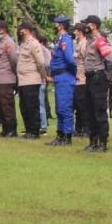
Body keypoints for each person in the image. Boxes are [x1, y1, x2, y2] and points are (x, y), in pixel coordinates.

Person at [80, 15, 112, 153]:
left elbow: (111, 59)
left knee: (99, 111)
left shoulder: (100, 41)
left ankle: (102, 143)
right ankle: (93, 141)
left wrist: (106, 76)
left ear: (94, 25)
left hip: (98, 77)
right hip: (89, 77)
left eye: (86, 24)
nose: (85, 26)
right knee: (89, 110)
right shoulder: (89, 41)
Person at [49, 16, 77, 146]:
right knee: (59, 108)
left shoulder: (65, 39)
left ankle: (67, 136)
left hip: (65, 76)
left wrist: (72, 72)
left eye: (55, 24)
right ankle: (60, 135)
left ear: (60, 25)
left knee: (65, 107)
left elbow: (70, 60)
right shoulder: (60, 39)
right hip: (59, 77)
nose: (53, 26)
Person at [16, 22, 47, 140]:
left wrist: (43, 75)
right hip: (22, 80)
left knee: (32, 106)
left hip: (31, 79)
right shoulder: (23, 44)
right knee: (23, 107)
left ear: (27, 30)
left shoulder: (34, 44)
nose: (19, 31)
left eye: (21, 29)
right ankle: (28, 129)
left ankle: (34, 131)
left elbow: (41, 62)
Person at [0, 21, 19, 138]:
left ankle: (11, 129)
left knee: (6, 105)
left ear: (3, 29)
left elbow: (13, 60)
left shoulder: (9, 42)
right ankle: (5, 129)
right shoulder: (0, 42)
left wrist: (13, 74)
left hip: (6, 78)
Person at [72, 23, 90, 140]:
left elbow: (86, 62)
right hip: (77, 78)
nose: (74, 33)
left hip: (83, 79)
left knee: (83, 106)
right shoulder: (78, 43)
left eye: (75, 30)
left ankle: (86, 129)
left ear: (80, 31)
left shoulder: (84, 44)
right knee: (77, 105)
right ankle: (78, 128)